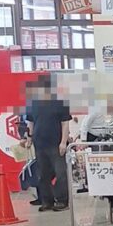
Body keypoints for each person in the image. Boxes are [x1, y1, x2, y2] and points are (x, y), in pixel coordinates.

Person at [26, 77, 72, 212]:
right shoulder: (33, 103)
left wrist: (63, 142)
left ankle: (62, 200)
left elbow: (65, 123)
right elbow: (31, 122)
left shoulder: (60, 103)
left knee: (60, 173)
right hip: (39, 144)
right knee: (43, 174)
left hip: (56, 143)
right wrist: (28, 137)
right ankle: (47, 201)